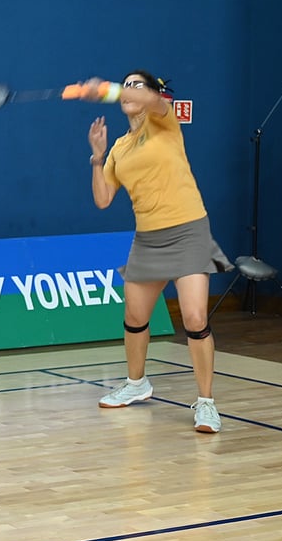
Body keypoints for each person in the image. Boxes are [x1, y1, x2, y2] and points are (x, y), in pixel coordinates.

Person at [87, 71, 232, 433]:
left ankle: (206, 403)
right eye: (125, 85)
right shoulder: (120, 148)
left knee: (195, 318)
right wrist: (98, 157)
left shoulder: (163, 122)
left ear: (153, 93)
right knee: (135, 317)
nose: (129, 91)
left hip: (188, 231)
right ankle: (136, 384)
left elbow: (153, 101)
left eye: (136, 85)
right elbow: (103, 199)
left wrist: (106, 89)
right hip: (148, 239)